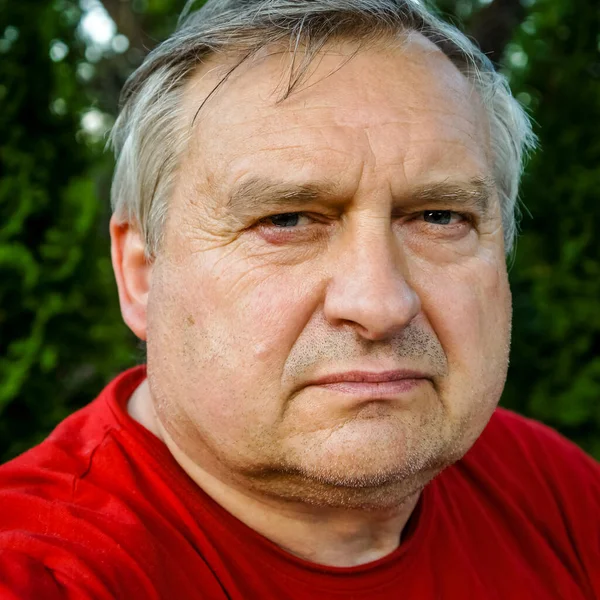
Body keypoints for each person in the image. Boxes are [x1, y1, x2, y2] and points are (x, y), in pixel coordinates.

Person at [1, 0, 599, 597]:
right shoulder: (43, 574)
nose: (380, 304)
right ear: (141, 274)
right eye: (287, 219)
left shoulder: (555, 492)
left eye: (439, 216)